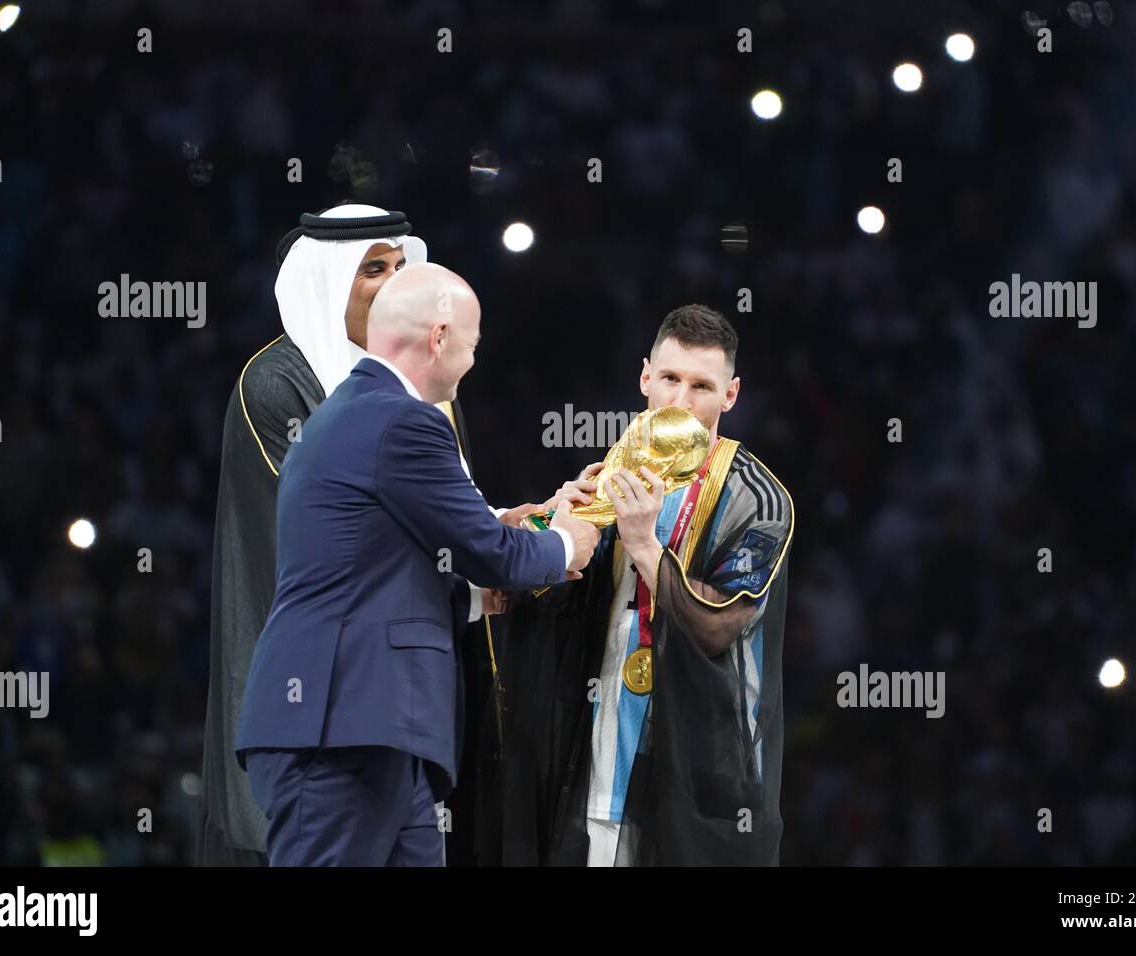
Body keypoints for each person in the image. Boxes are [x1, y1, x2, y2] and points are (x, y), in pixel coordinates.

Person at [234, 263, 600, 867]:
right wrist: (563, 544)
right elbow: (487, 548)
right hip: (341, 725)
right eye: (472, 344)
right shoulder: (402, 420)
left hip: (369, 728)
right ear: (439, 338)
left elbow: (385, 565)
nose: (473, 361)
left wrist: (483, 591)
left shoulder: (355, 414)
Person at [483, 304, 794, 866]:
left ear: (731, 395)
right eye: (670, 379)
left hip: (701, 773)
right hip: (598, 759)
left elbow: (720, 625)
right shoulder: (610, 471)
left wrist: (646, 546)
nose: (680, 401)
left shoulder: (759, 499)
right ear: (645, 377)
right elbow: (530, 588)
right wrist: (552, 522)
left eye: (702, 386)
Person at [197, 204, 428, 866]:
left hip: (399, 691)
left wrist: (511, 526)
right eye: (373, 270)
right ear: (329, 282)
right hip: (307, 692)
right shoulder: (275, 386)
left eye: (400, 266)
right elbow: (326, 538)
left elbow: (448, 510)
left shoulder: (423, 382)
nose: (393, 283)